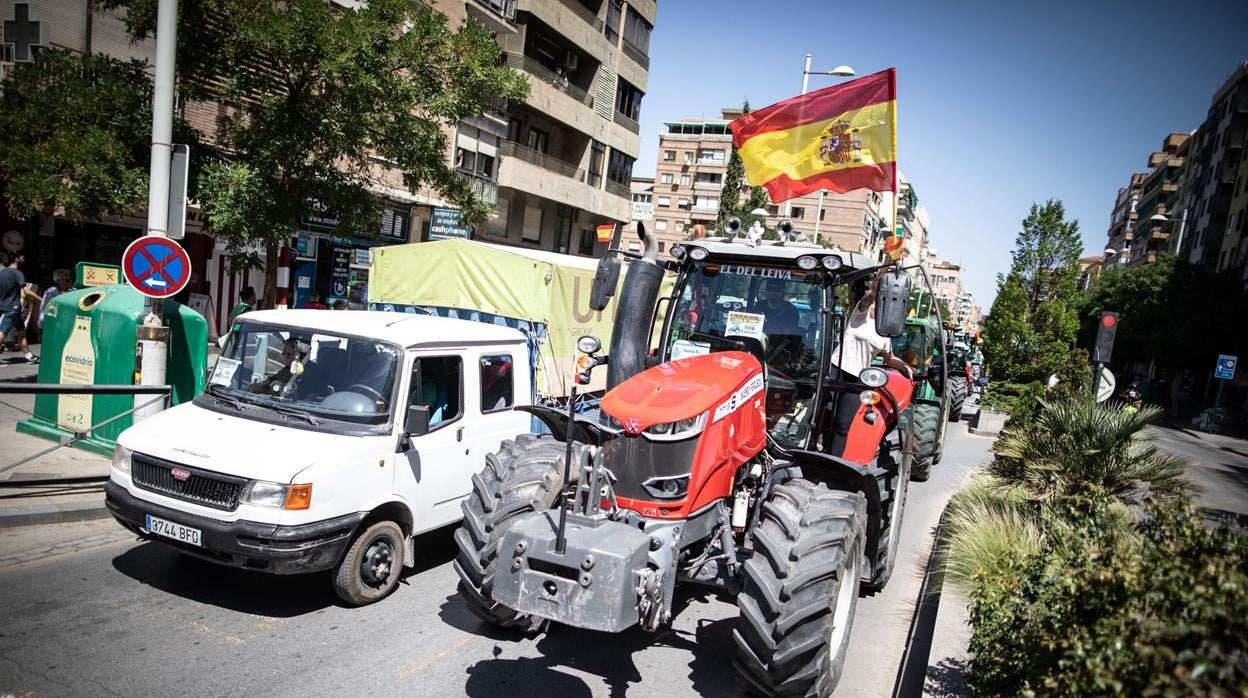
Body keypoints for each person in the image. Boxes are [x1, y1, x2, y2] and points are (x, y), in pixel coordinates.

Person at [827, 272, 914, 457]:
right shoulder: (863, 310)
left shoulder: (885, 329)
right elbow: (866, 299)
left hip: (858, 377)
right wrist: (876, 287)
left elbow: (889, 358)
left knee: (843, 424)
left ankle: (831, 463)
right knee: (825, 416)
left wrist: (905, 366)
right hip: (836, 368)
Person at [0, 252, 40, 363]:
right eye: (21, 257)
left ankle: (28, 355)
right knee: (3, 331)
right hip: (12, 307)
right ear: (16, 259)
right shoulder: (17, 273)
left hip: (6, 306)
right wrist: (40, 299)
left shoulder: (2, 272)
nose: (23, 259)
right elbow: (26, 290)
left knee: (21, 332)